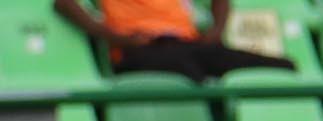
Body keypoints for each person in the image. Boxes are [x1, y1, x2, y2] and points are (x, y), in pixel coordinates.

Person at [53, 0, 295, 82]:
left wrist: (216, 31)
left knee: (282, 67)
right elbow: (63, 4)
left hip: (187, 44)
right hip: (139, 49)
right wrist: (114, 37)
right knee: (190, 70)